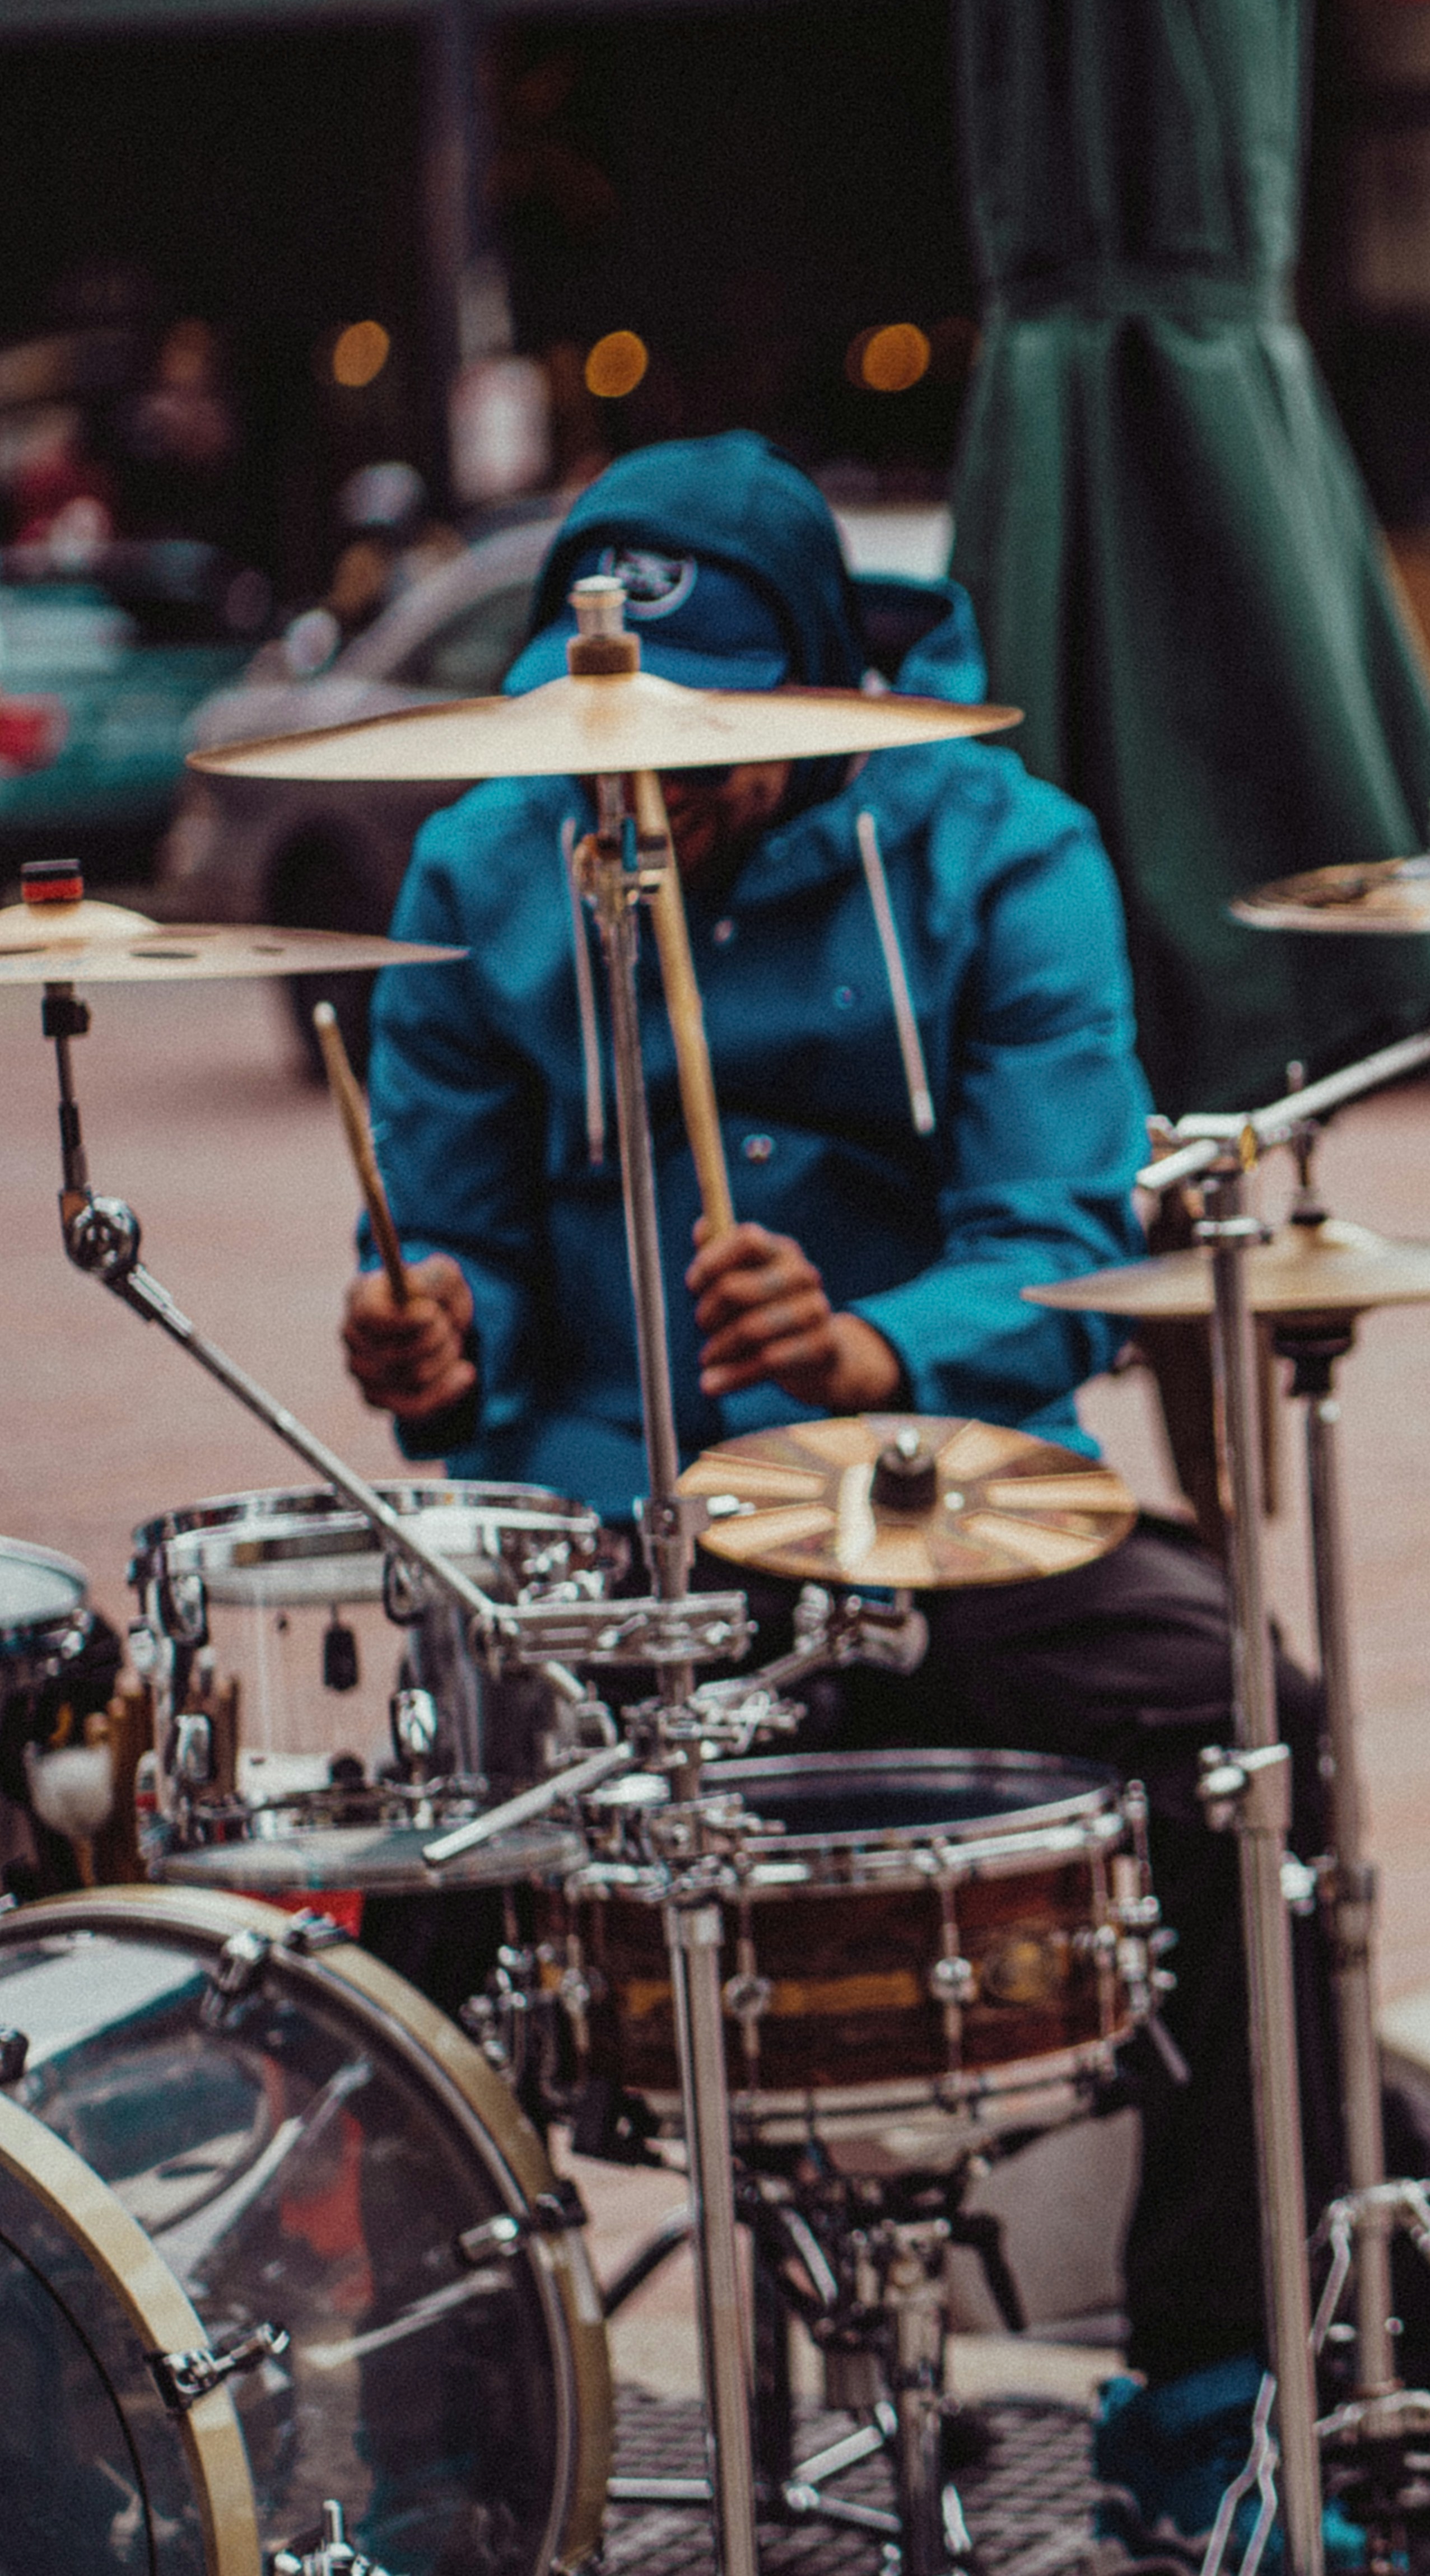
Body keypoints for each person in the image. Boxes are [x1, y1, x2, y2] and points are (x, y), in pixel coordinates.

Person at [332, 433, 1356, 2573]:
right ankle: (421, 2427)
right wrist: (441, 1340)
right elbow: (467, 1252)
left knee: (1262, 1735)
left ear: (810, 700)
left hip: (930, 1491)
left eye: (705, 759)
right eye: (612, 757)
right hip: (612, 1537)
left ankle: (1213, 2390)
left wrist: (875, 1343)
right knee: (386, 1853)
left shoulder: (1000, 848)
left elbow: (1063, 1230)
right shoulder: (482, 870)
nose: (646, 803)